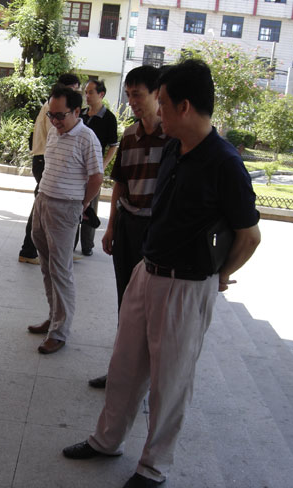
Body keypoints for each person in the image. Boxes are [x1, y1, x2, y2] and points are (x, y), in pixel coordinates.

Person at [62, 60, 261, 488]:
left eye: (164, 102)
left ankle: (153, 467)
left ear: (185, 106)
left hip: (187, 286)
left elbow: (250, 236)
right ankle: (107, 440)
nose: (157, 109)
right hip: (147, 271)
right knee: (124, 367)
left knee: (169, 382)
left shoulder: (225, 163)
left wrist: (220, 275)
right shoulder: (174, 147)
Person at [88, 65, 166, 389]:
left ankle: (147, 378)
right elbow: (119, 183)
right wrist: (111, 227)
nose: (132, 101)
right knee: (125, 300)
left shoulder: (173, 138)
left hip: (157, 233)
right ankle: (121, 371)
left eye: (138, 95)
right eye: (129, 95)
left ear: (157, 94)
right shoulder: (130, 135)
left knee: (152, 307)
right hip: (128, 226)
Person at [27, 85, 103, 354]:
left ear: (77, 111)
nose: (55, 121)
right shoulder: (54, 132)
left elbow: (97, 178)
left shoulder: (87, 138)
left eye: (60, 116)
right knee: (46, 266)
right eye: (52, 115)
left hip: (66, 207)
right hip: (43, 201)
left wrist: (81, 204)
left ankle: (60, 331)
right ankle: (53, 317)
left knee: (61, 270)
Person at [19, 73, 81, 265]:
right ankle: (28, 250)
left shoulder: (53, 106)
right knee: (41, 206)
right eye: (75, 90)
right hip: (44, 160)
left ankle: (57, 250)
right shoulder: (53, 109)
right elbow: (57, 134)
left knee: (43, 205)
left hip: (44, 159)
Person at [77, 79, 119, 256]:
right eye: (86, 92)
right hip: (77, 169)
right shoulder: (81, 114)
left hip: (93, 171)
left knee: (90, 207)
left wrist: (102, 165)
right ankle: (70, 243)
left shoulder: (109, 118)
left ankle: (87, 245)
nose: (87, 95)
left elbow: (113, 145)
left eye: (90, 92)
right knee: (75, 205)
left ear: (101, 94)